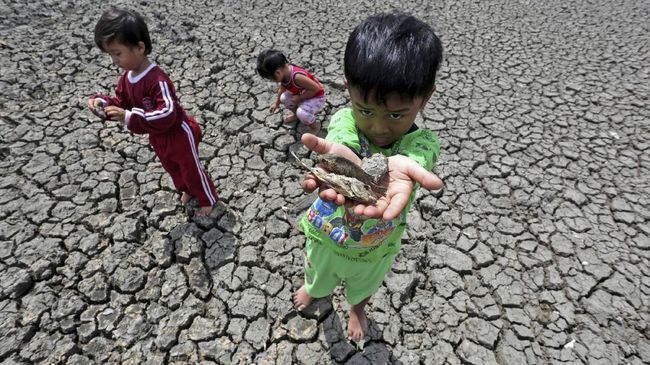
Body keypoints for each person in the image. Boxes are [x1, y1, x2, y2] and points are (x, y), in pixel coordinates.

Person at [293, 13, 444, 342]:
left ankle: (357, 308)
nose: (378, 127)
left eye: (395, 114)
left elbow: (422, 156)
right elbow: (342, 133)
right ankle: (314, 289)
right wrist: (345, 159)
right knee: (317, 272)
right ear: (349, 90)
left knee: (364, 286)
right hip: (326, 235)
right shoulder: (345, 120)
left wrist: (402, 164)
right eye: (365, 109)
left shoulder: (420, 144)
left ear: (425, 97)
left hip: (376, 247)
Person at [86, 8, 218, 217]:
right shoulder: (126, 79)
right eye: (110, 55)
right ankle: (188, 190)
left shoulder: (157, 79)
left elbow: (168, 113)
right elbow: (122, 102)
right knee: (173, 169)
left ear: (140, 47)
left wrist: (129, 117)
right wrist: (102, 102)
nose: (114, 60)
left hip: (179, 134)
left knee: (190, 168)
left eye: (118, 53)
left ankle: (207, 199)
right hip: (158, 137)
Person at [256, 49, 326, 133]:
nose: (272, 81)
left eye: (271, 79)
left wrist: (300, 98)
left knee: (302, 113)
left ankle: (314, 127)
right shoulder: (284, 76)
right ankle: (297, 115)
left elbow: (316, 88)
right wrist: (277, 103)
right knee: (284, 98)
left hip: (317, 97)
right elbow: (282, 89)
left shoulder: (297, 77)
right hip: (302, 95)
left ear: (278, 73)